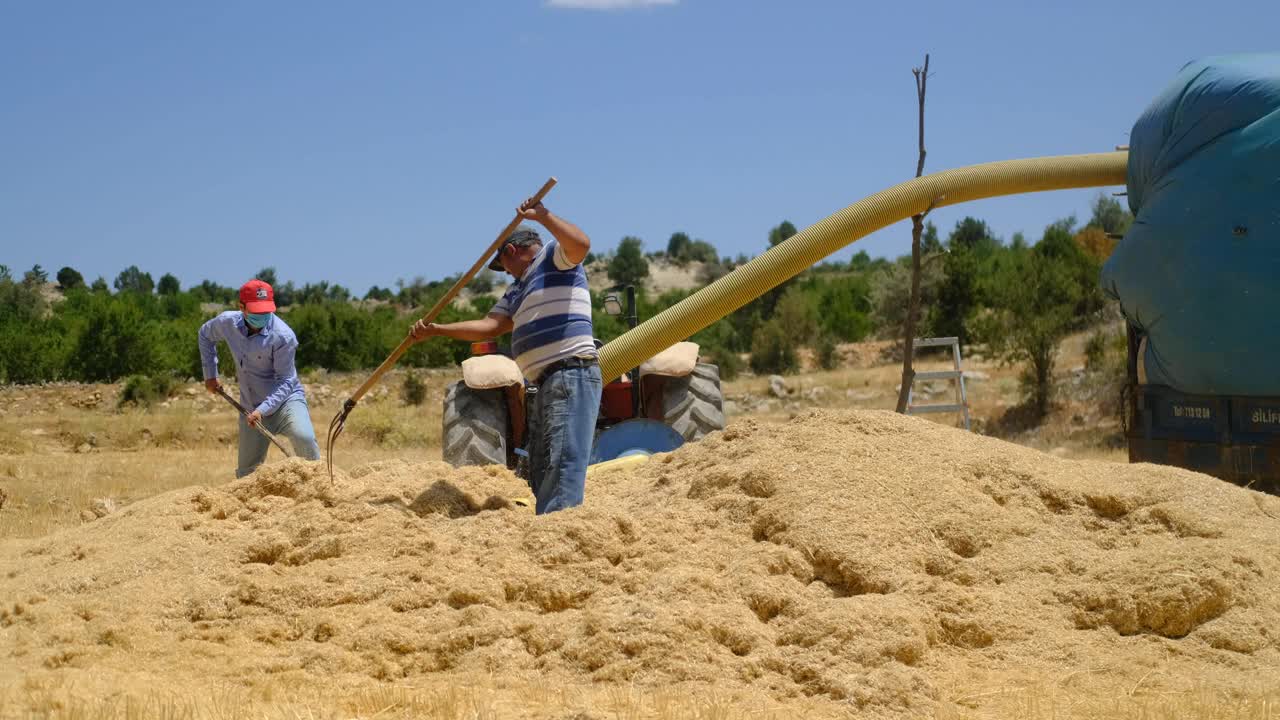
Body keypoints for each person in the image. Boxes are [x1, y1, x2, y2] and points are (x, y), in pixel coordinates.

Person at [410, 197, 601, 514]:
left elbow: (581, 243)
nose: (506, 274)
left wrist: (543, 216)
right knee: (542, 466)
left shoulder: (553, 257)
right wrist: (437, 330)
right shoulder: (517, 289)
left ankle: (560, 533)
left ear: (510, 252)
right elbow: (489, 326)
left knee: (562, 463)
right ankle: (549, 526)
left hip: (571, 373)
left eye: (504, 267)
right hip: (544, 382)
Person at [198, 279, 321, 477]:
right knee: (247, 473)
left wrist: (262, 410)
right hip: (250, 405)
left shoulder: (283, 336)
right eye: (256, 311)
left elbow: (286, 381)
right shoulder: (227, 322)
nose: (263, 316)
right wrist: (210, 375)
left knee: (304, 437)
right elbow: (205, 335)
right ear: (242, 308)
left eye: (266, 311)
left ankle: (319, 482)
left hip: (285, 401)